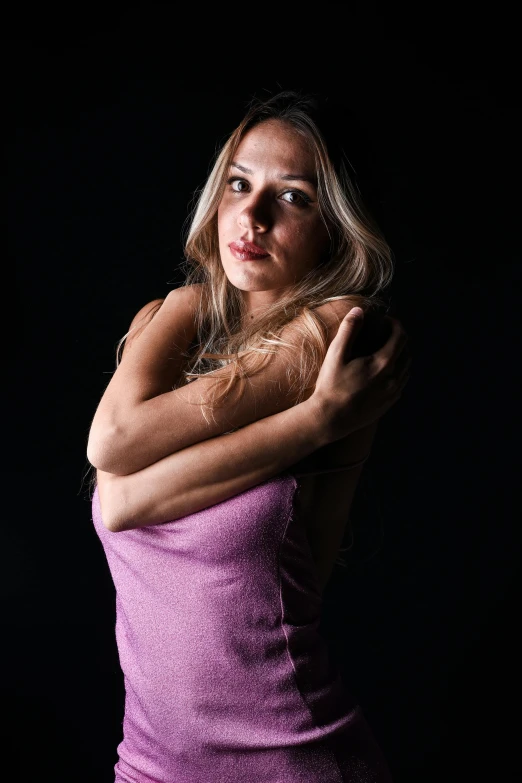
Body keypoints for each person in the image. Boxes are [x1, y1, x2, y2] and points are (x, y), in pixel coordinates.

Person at [87, 91, 411, 783]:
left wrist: (319, 415)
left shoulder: (339, 331)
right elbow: (115, 462)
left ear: (336, 228)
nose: (252, 216)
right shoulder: (166, 320)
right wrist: (314, 422)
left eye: (291, 197)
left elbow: (116, 468)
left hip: (294, 759)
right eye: (239, 183)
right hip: (152, 765)